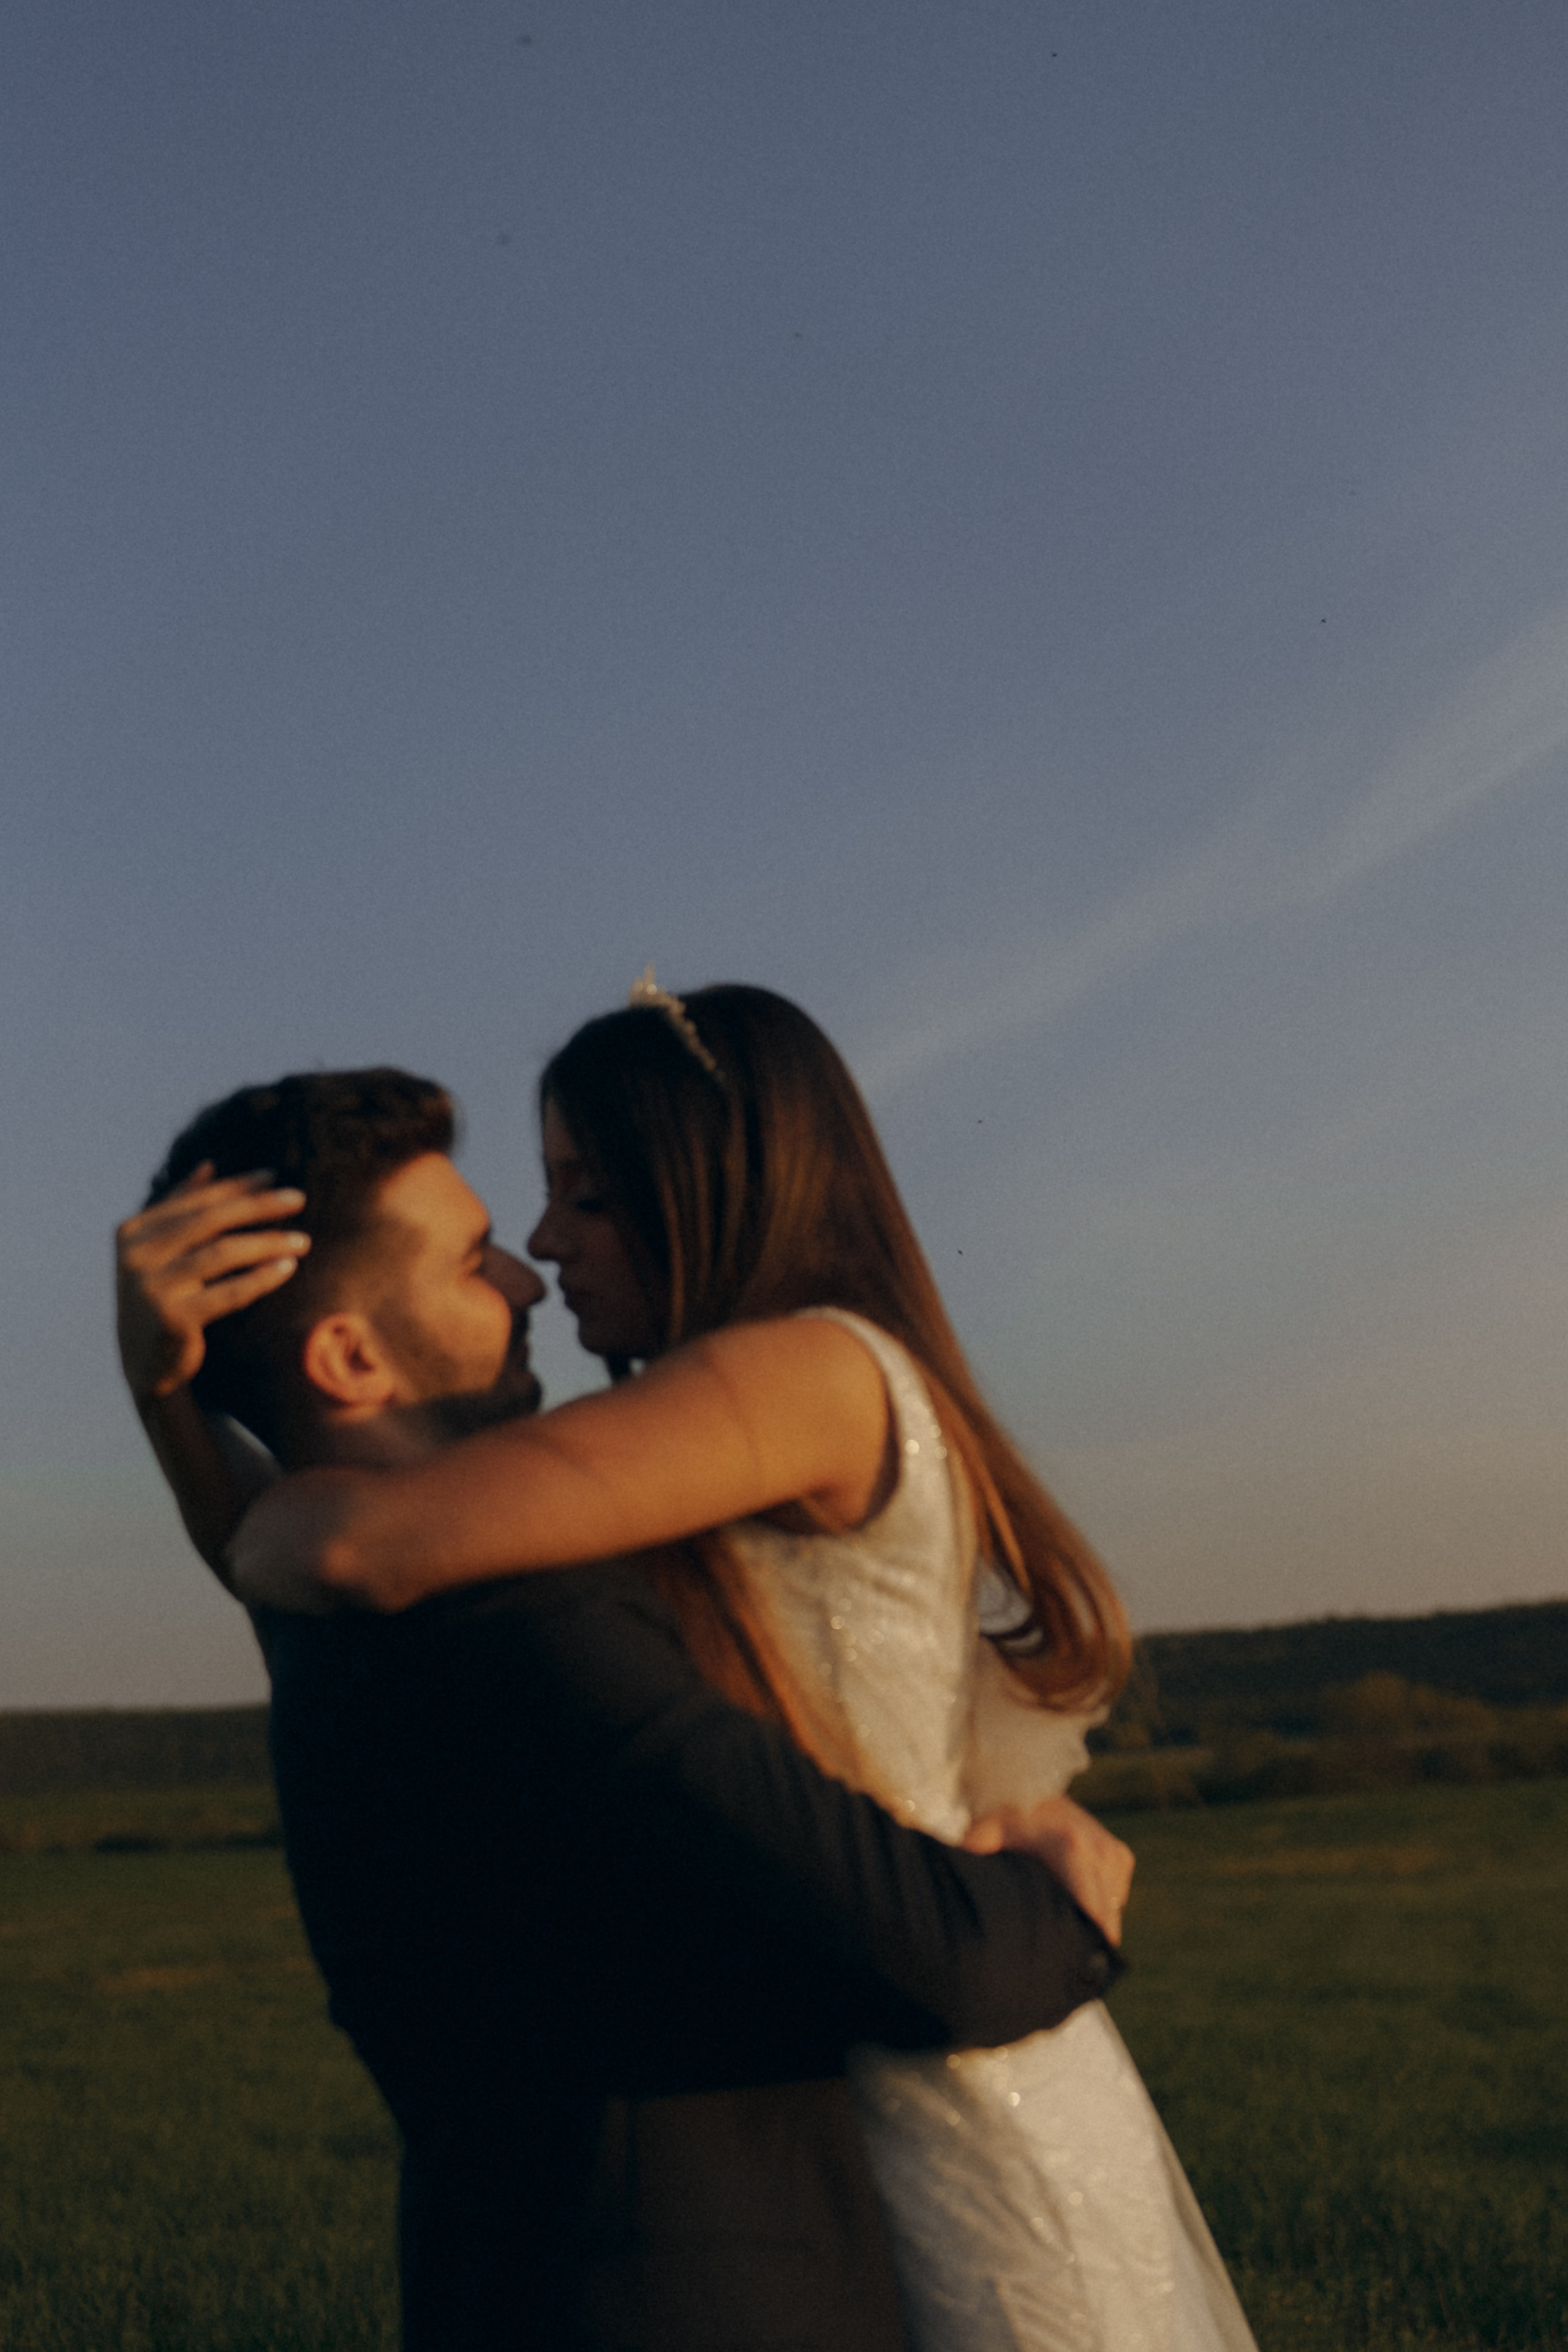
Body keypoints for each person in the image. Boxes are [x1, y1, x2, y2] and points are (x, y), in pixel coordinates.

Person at [228, 986, 1259, 2352]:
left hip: (953, 2074)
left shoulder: (803, 1371)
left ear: (710, 1190)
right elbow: (429, 1610)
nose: (543, 1244)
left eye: (583, 1196)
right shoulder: (724, 1414)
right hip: (862, 2028)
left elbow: (378, 1551)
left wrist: (227, 1463)